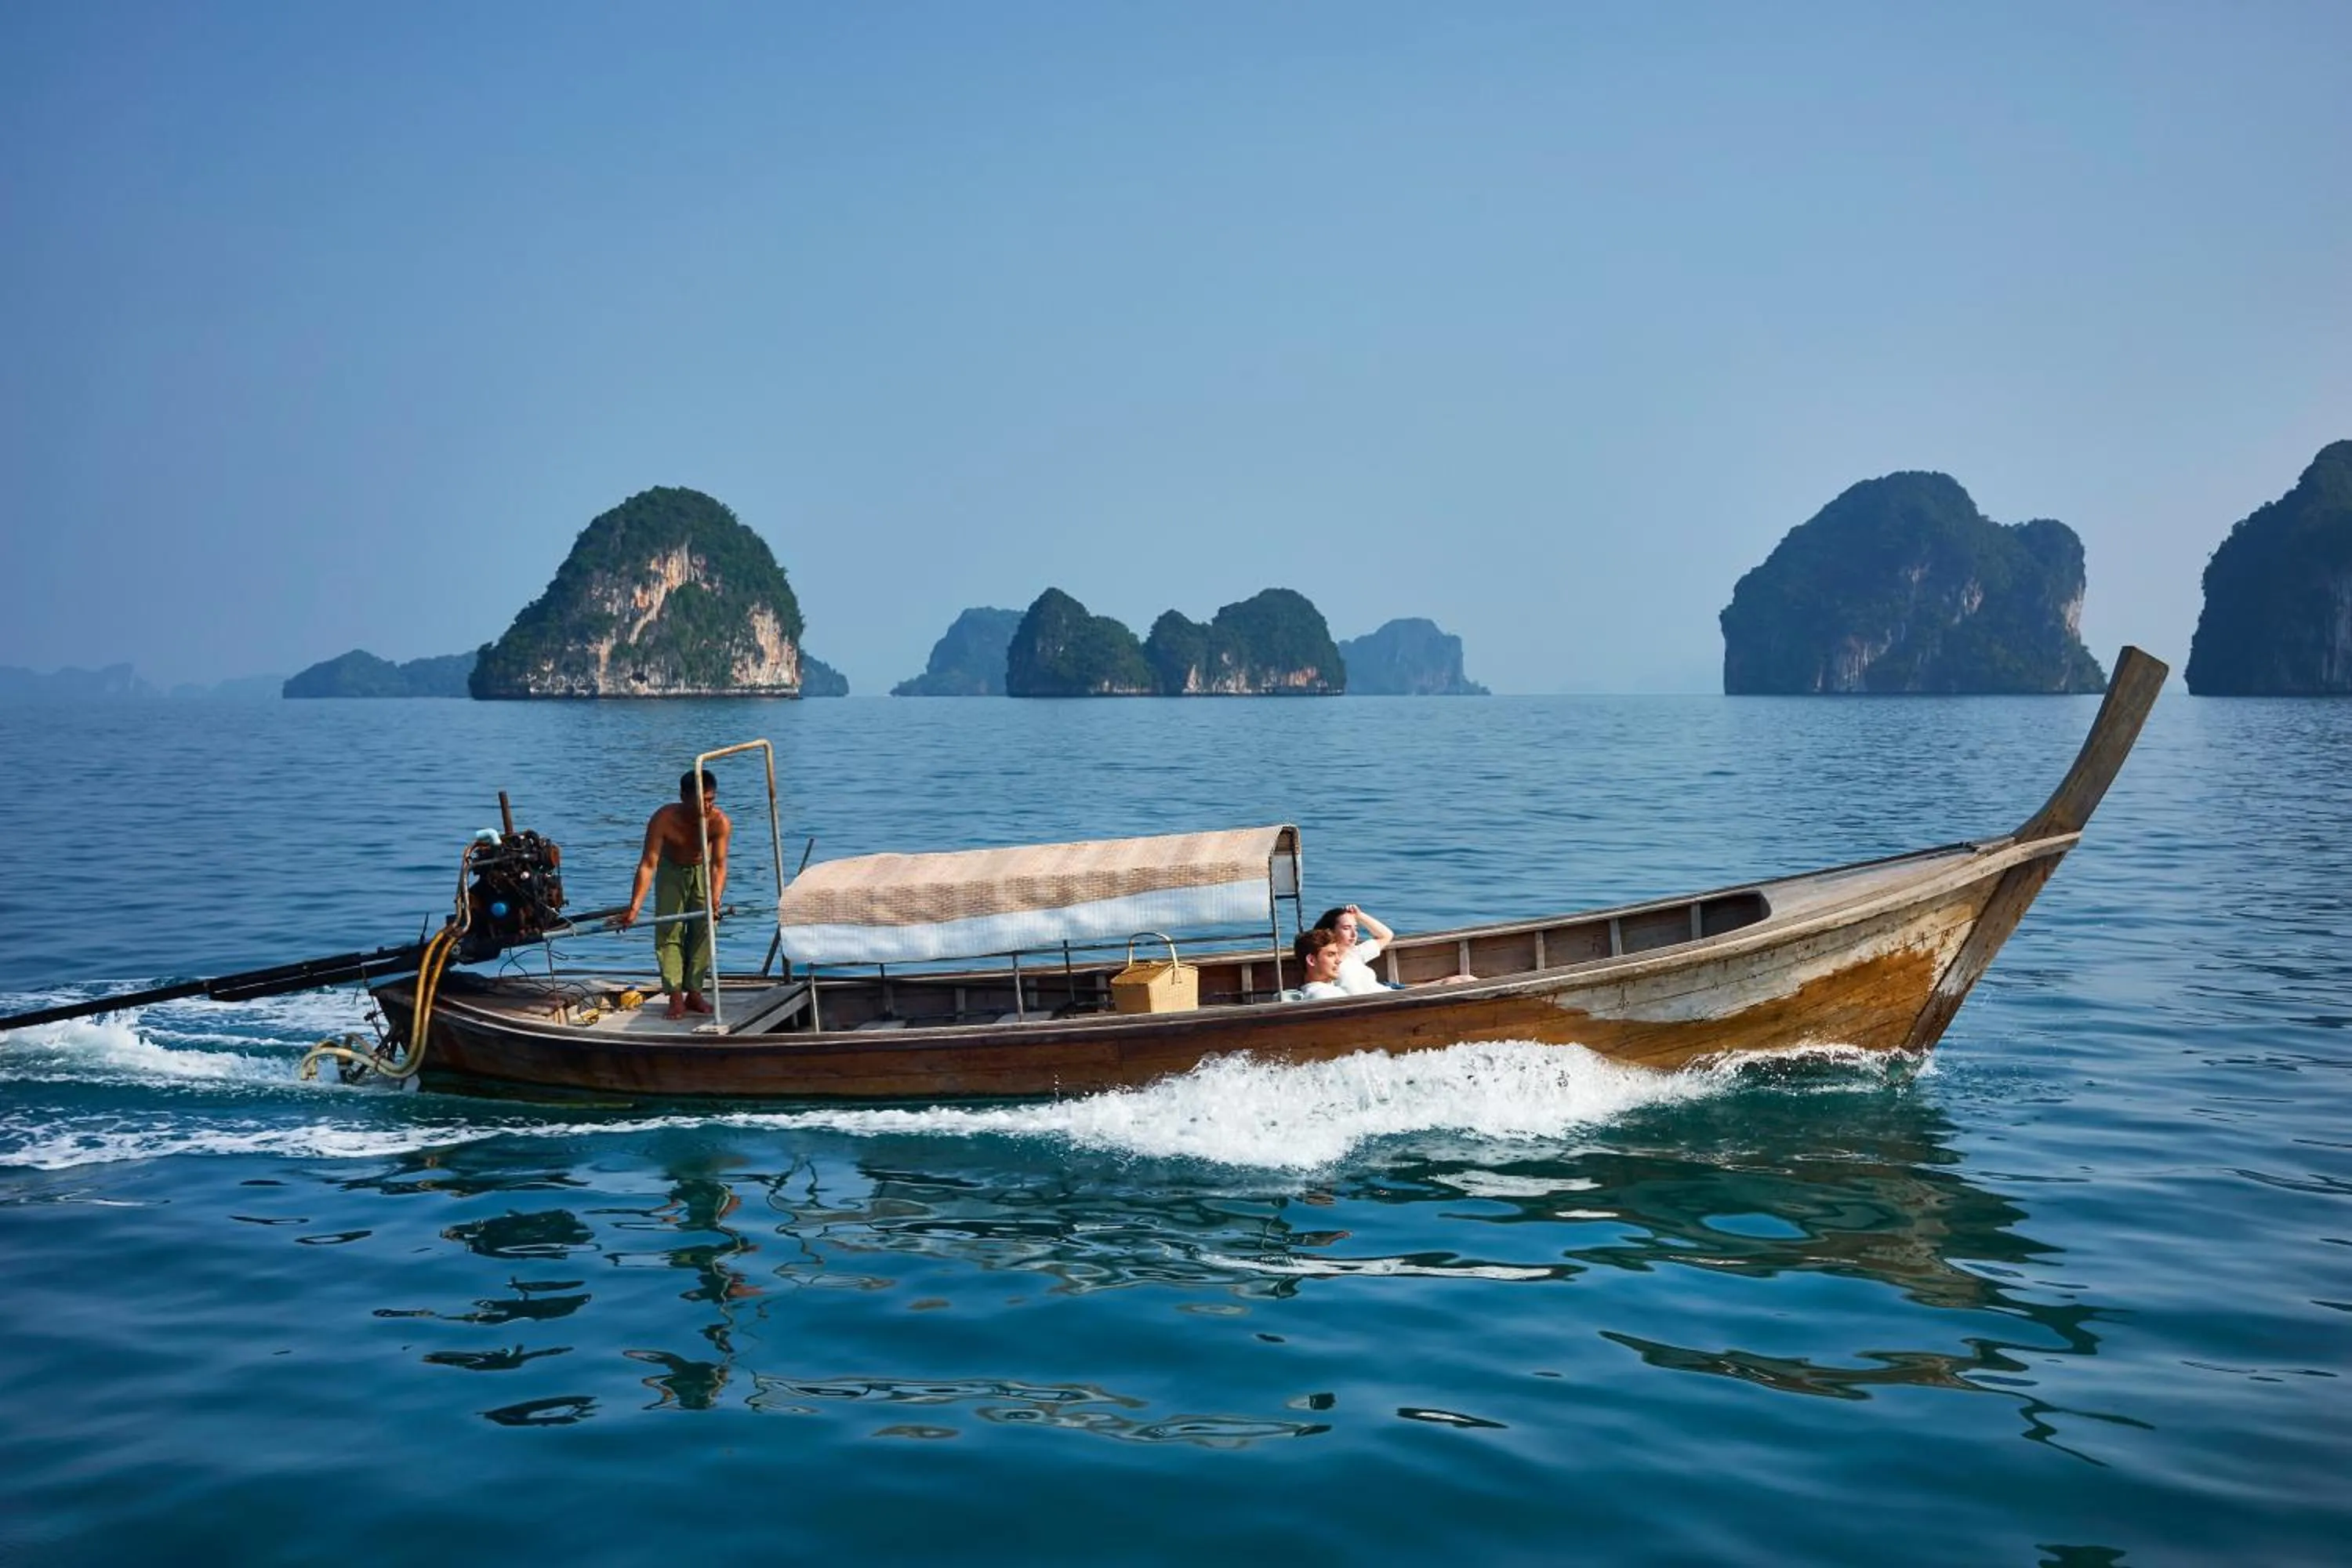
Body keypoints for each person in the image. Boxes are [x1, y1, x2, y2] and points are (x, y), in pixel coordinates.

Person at [619, 769, 731, 1020]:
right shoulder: (664, 819)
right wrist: (635, 907)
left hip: (703, 868)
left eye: (711, 799)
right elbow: (649, 864)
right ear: (683, 797)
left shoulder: (719, 821)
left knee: (705, 927)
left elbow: (719, 865)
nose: (707, 806)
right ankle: (676, 995)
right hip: (672, 870)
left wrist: (715, 898)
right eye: (701, 799)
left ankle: (694, 991)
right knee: (669, 928)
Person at [1314, 904, 1397, 995]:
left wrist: (1360, 916)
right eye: (1346, 928)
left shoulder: (1355, 953)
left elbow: (1386, 936)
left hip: (1386, 994)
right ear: (1331, 931)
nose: (1354, 934)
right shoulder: (1326, 963)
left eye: (1355, 928)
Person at [1291, 927, 1351, 1000]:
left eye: (1337, 954)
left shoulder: (1325, 990)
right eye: (1331, 955)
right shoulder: (1321, 995)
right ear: (1311, 960)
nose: (1339, 961)